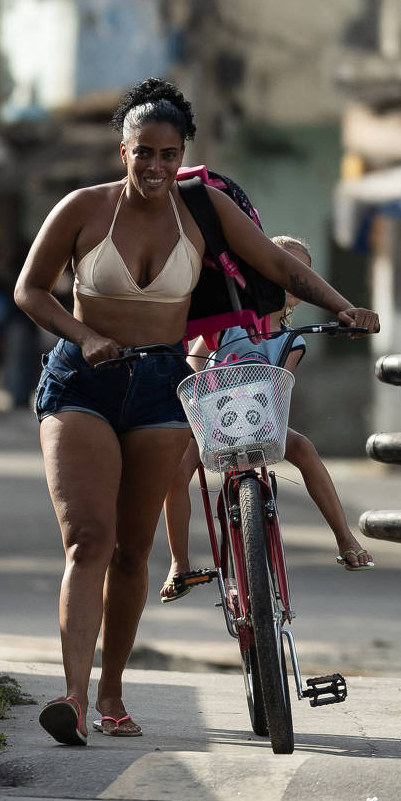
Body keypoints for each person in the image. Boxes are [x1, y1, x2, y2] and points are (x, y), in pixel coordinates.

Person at [15, 77, 377, 746]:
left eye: (167, 153)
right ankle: (71, 693)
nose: (153, 166)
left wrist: (342, 305)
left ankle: (113, 697)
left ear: (182, 153)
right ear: (121, 148)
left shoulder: (202, 209)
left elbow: (277, 264)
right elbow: (29, 291)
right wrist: (84, 335)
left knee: (131, 551)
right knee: (88, 540)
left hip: (160, 384)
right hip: (83, 384)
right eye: (142, 151)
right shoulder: (82, 208)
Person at [159, 234, 373, 604]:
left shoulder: (295, 341)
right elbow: (191, 369)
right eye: (284, 268)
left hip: (261, 423)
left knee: (303, 448)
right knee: (175, 473)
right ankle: (179, 563)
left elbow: (279, 389)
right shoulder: (225, 325)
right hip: (212, 421)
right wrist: (193, 411)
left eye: (301, 273)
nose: (292, 279)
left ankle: (345, 538)